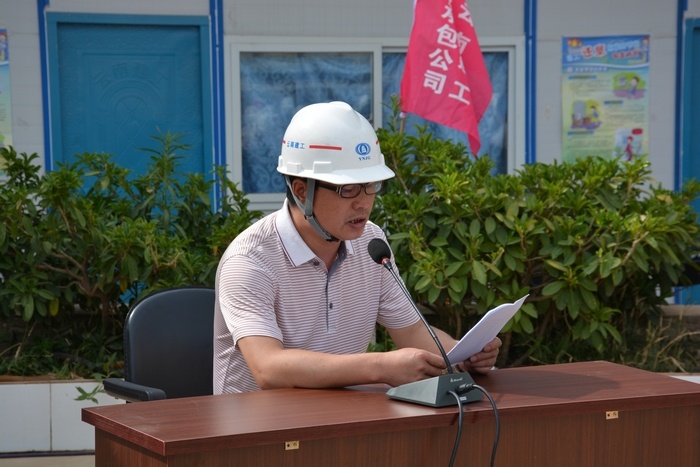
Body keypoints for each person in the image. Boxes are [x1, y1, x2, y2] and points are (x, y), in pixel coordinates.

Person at [213, 101, 501, 394]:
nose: (363, 203)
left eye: (370, 185)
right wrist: (380, 367)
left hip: (345, 414)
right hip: (258, 420)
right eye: (347, 189)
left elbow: (412, 331)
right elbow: (268, 368)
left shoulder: (370, 243)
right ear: (301, 191)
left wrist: (463, 355)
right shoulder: (249, 261)